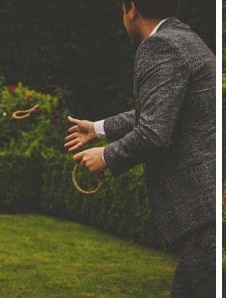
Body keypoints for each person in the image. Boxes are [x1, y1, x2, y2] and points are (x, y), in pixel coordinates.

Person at [63, 1, 214, 296]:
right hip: (205, 212)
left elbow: (154, 132)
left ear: (132, 8)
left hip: (198, 213)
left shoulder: (159, 46)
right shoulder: (187, 39)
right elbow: (163, 112)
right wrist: (97, 129)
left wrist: (106, 156)